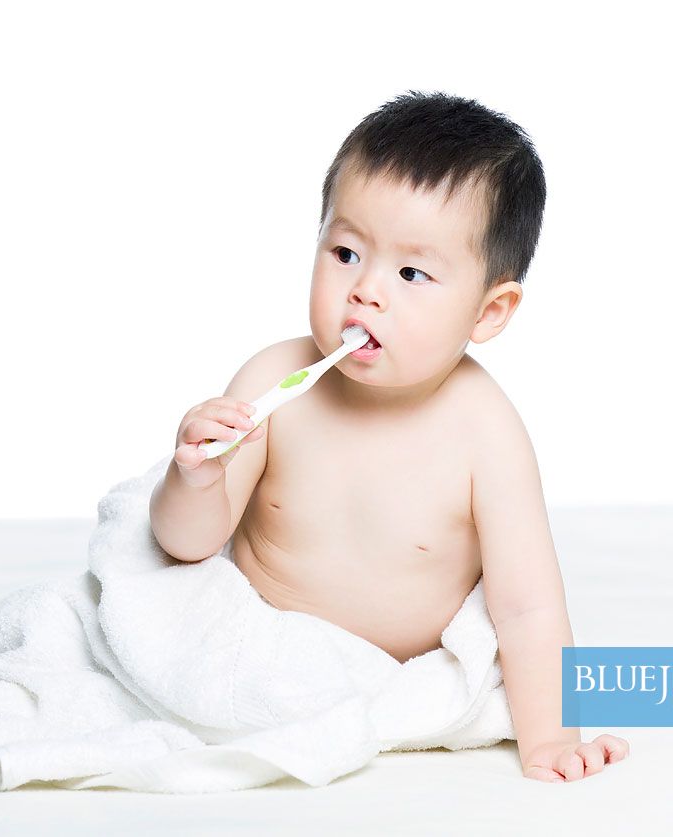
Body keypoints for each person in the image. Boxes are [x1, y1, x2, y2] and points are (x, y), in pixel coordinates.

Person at [150, 90, 629, 783]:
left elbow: (527, 607)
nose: (366, 289)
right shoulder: (274, 381)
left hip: (393, 681)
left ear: (488, 310)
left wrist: (550, 739)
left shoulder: (483, 431)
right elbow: (186, 545)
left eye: (411, 272)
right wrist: (192, 476)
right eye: (344, 251)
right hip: (255, 660)